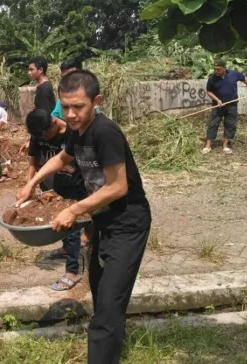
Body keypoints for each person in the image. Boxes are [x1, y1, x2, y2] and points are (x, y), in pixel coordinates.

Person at [16, 70, 151, 364]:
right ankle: (109, 340)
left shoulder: (105, 132)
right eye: (66, 107)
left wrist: (74, 209)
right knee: (100, 289)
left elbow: (118, 187)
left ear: (96, 101)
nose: (72, 114)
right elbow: (61, 158)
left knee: (109, 302)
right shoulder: (77, 132)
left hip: (128, 221)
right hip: (104, 219)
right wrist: (31, 182)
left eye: (79, 106)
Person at [26, 109, 87, 291]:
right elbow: (34, 158)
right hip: (59, 182)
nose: (44, 139)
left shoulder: (72, 132)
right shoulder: (39, 132)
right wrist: (29, 183)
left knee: (72, 227)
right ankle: (68, 248)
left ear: (54, 123)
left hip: (78, 183)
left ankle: (72, 272)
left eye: (46, 135)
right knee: (63, 224)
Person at [203, 59, 247, 154]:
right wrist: (217, 100)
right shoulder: (212, 78)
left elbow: (244, 78)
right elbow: (209, 91)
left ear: (224, 68)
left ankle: (225, 146)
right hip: (218, 105)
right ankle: (208, 146)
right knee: (213, 124)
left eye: (218, 69)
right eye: (215, 69)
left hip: (232, 105)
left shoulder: (233, 74)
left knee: (230, 124)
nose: (216, 71)